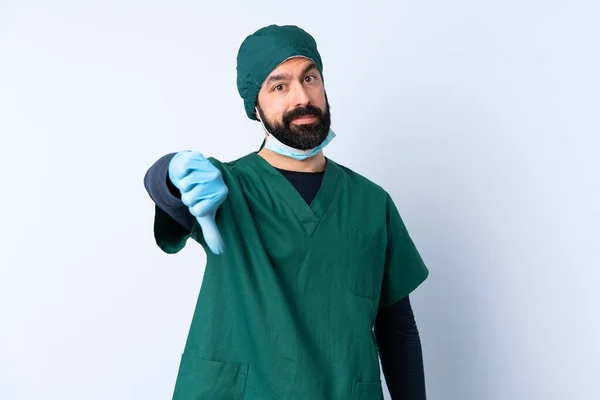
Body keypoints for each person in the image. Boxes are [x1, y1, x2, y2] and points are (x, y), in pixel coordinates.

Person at [144, 24, 429, 400]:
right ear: (255, 106)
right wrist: (169, 172)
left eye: (310, 78)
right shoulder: (225, 187)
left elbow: (398, 329)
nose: (301, 96)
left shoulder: (372, 203)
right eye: (279, 86)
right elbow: (166, 189)